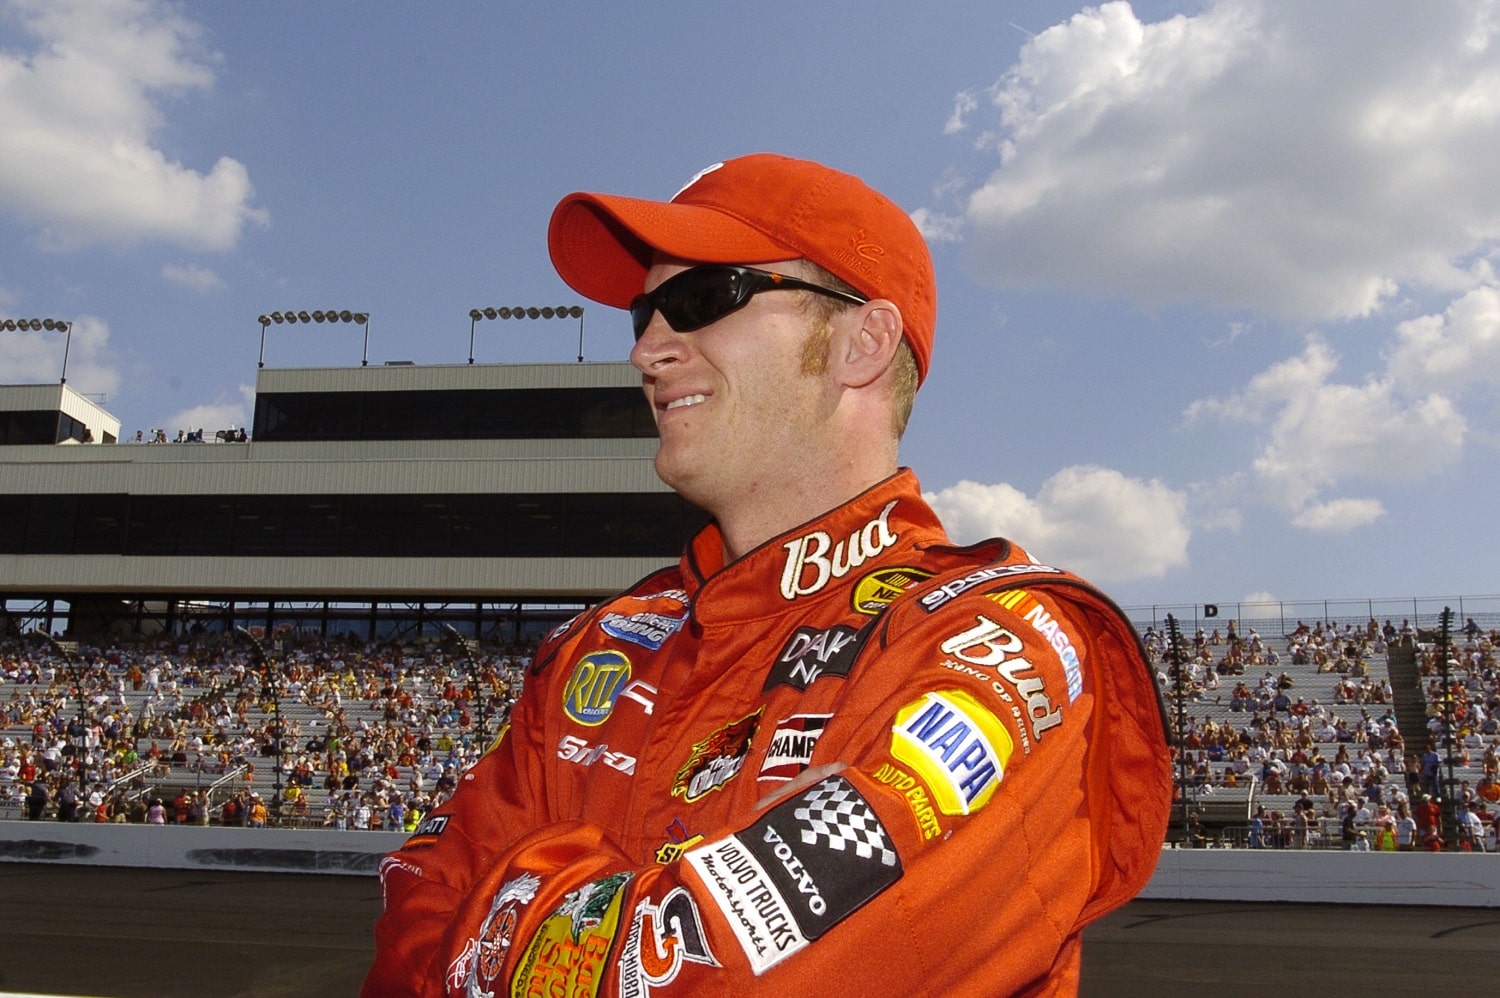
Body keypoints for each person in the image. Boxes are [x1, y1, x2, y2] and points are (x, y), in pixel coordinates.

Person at [363, 153, 1172, 996]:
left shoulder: (1002, 644)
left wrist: (511, 904)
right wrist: (629, 905)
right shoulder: (596, 648)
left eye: (703, 299)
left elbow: (724, 982)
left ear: (864, 342)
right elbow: (411, 910)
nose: (647, 350)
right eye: (644, 313)